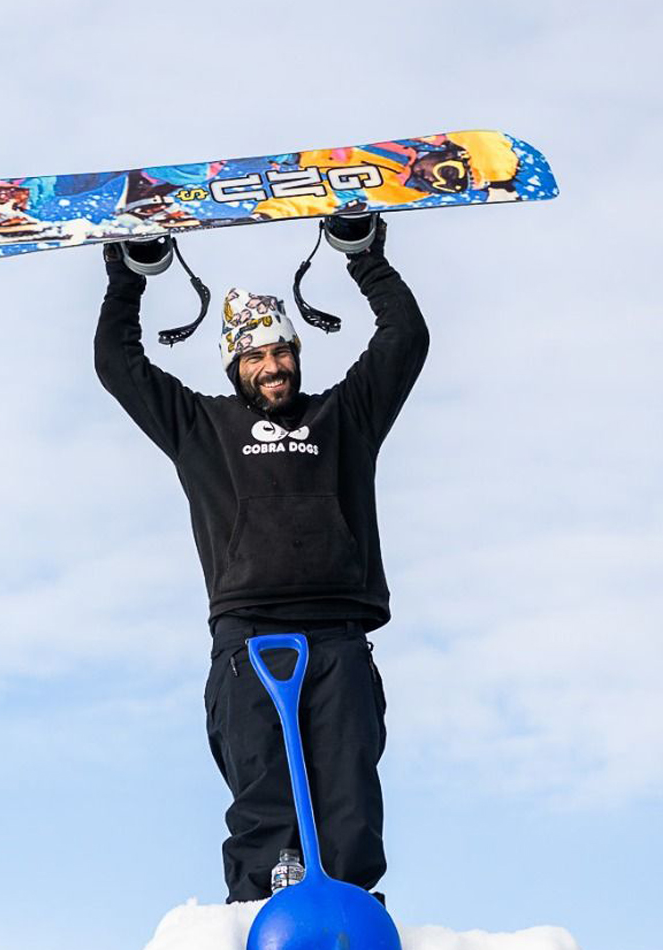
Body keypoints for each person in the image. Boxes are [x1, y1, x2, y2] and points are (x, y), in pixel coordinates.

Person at [94, 214, 429, 902]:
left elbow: (405, 338)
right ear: (233, 366)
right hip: (248, 642)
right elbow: (117, 365)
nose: (272, 366)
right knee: (266, 804)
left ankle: (351, 920)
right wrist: (129, 275)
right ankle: (257, 920)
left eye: (281, 351)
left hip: (339, 638)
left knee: (349, 804)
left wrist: (363, 255)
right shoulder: (200, 427)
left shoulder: (346, 417)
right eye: (254, 356)